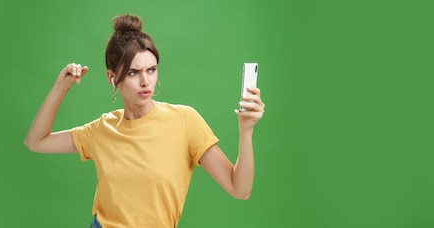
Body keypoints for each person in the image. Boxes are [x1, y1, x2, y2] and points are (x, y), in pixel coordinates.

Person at [24, 14, 265, 228]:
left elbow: (239, 189)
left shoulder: (185, 121)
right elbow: (36, 142)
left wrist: (246, 130)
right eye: (133, 72)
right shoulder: (101, 129)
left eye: (151, 70)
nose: (145, 81)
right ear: (112, 78)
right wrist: (61, 87)